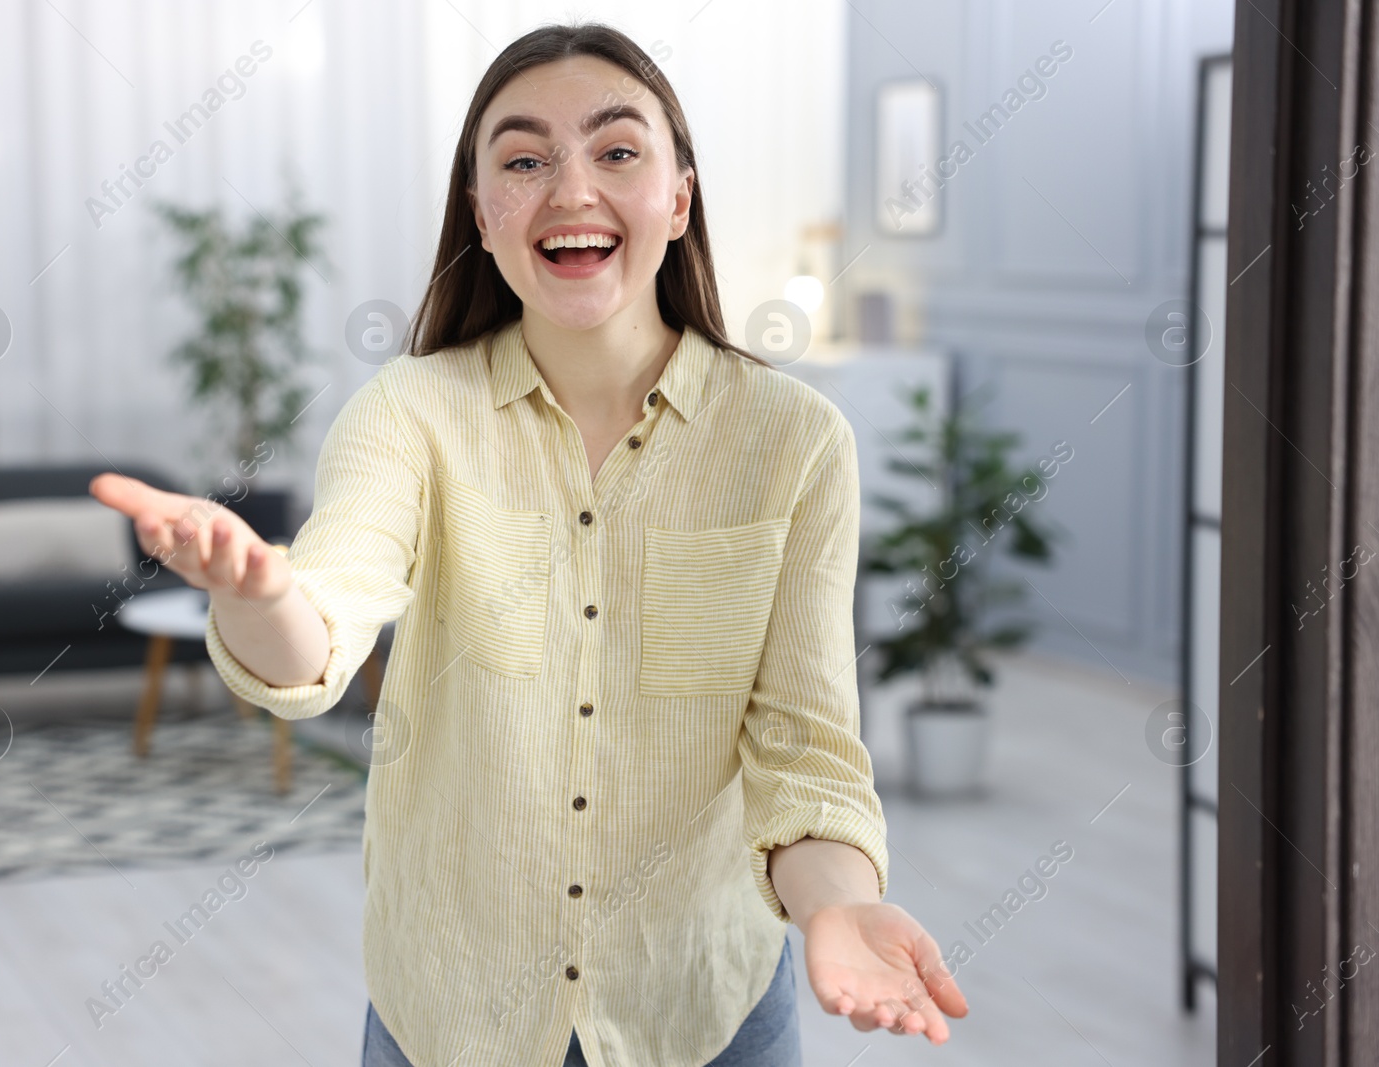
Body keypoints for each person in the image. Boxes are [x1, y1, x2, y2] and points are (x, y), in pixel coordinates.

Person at [91, 21, 967, 1067]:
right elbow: (321, 626)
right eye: (523, 160)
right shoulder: (409, 413)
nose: (570, 190)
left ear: (678, 198)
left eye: (616, 151)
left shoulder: (793, 441)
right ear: (483, 214)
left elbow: (805, 753)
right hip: (453, 1012)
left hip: (706, 1004)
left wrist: (838, 906)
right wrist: (256, 593)